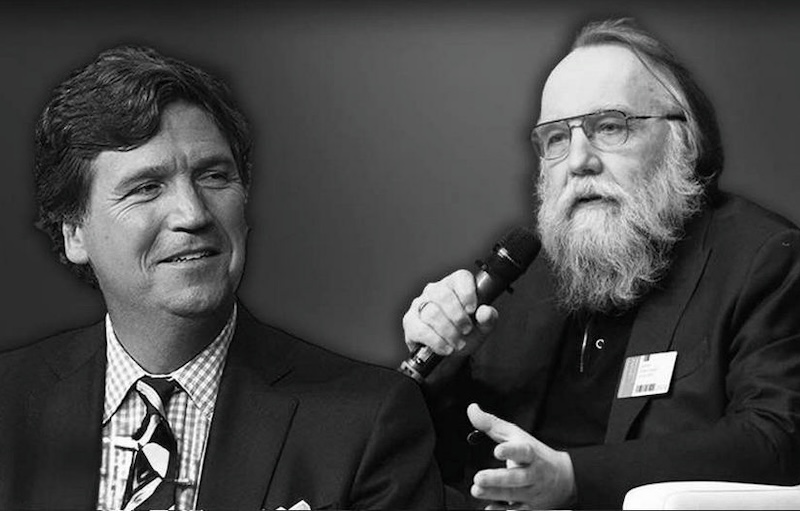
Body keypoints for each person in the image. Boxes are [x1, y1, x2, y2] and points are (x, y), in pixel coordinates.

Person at [0, 45, 443, 510]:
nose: (192, 214)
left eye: (213, 176)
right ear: (74, 233)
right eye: (146, 188)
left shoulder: (366, 420)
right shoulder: (9, 403)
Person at [402, 18, 800, 509]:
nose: (578, 161)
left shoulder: (763, 258)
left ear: (686, 139)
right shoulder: (529, 279)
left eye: (609, 127)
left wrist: (572, 478)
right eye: (556, 138)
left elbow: (776, 440)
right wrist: (445, 364)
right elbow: (442, 463)